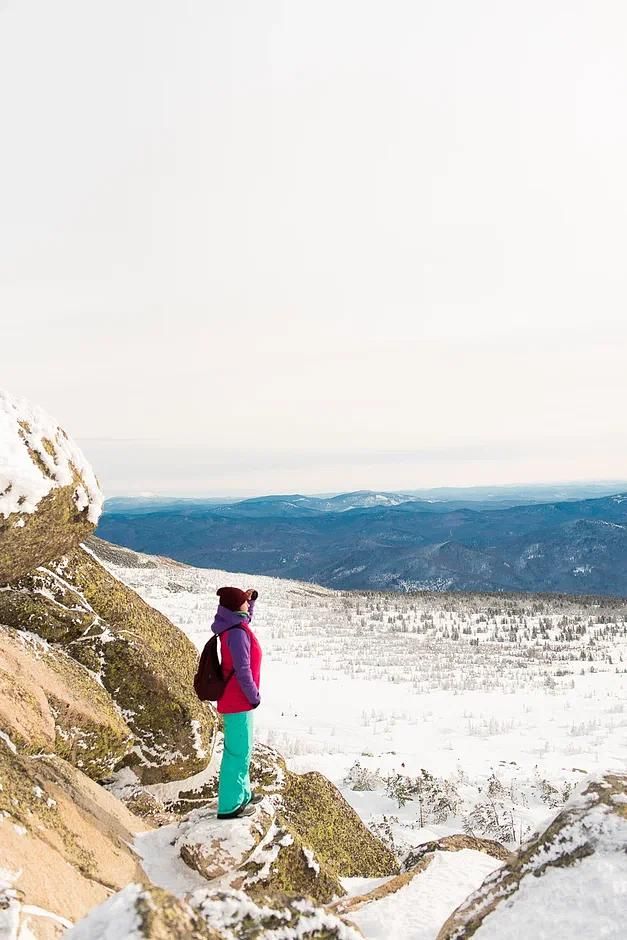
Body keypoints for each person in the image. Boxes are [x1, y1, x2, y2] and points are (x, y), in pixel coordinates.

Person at [211, 585, 263, 819]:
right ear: (235, 608)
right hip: (239, 700)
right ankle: (230, 806)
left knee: (243, 750)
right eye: (243, 601)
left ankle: (243, 795)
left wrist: (249, 601)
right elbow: (243, 671)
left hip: (236, 700)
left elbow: (245, 619)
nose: (246, 605)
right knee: (237, 753)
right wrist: (254, 697)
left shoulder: (232, 625)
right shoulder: (237, 633)